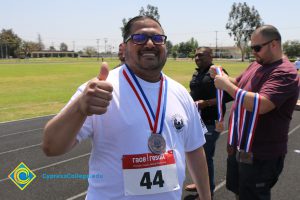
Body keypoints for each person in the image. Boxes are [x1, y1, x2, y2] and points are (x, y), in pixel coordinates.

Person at [42, 16, 211, 200]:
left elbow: (195, 149)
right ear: (125, 46)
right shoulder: (99, 90)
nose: (149, 44)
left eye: (157, 38)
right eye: (139, 38)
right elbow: (51, 147)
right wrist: (79, 108)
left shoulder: (180, 93)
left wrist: (206, 197)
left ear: (165, 45)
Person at [210, 25, 300, 200]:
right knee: (240, 191)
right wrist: (221, 75)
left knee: (254, 195)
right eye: (252, 48)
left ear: (274, 44)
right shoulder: (257, 65)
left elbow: (262, 104)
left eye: (257, 48)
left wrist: (226, 86)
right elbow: (237, 83)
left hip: (261, 153)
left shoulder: (285, 72)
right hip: (241, 146)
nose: (253, 52)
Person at [185, 47, 231, 199]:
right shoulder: (197, 72)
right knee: (197, 153)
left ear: (211, 56)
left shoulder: (218, 71)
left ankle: (207, 191)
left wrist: (207, 103)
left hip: (211, 120)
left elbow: (230, 94)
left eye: (201, 55)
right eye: (196, 55)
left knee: (205, 156)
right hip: (197, 120)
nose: (197, 57)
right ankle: (200, 184)